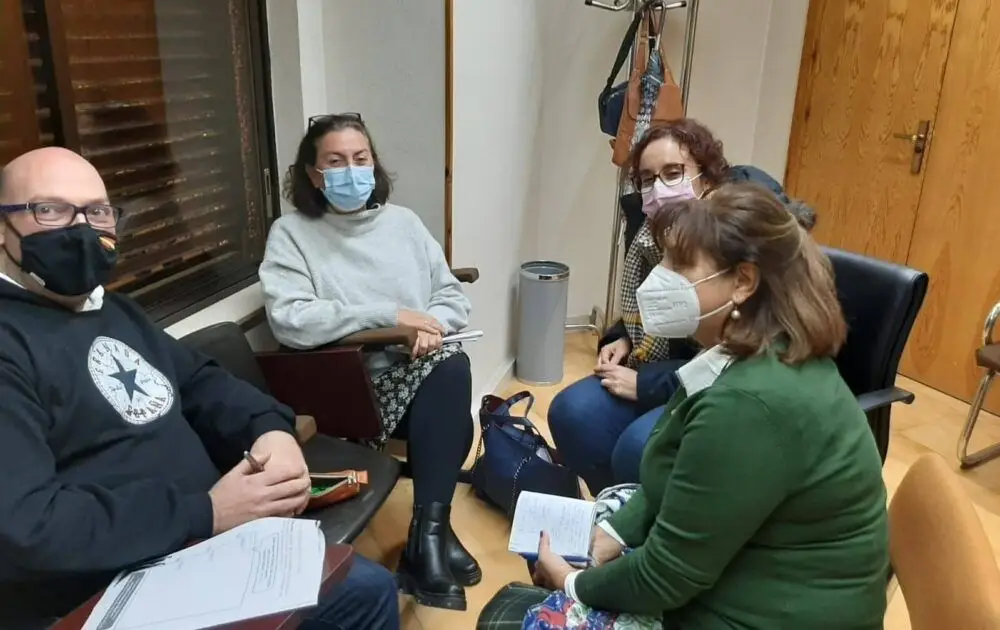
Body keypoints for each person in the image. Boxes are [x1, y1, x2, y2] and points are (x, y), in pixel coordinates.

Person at [0, 147, 399, 630]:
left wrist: (271, 430)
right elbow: (29, 525)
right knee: (362, 594)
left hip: (204, 539)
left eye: (97, 212)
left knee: (365, 584)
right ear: (4, 228)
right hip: (109, 583)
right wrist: (206, 512)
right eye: (51, 210)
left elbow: (200, 381)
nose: (82, 229)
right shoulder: (10, 340)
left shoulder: (113, 311)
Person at [481, 182, 888, 629]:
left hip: (763, 614)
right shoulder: (748, 354)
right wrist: (608, 539)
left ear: (743, 282)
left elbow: (667, 576)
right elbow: (673, 484)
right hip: (745, 578)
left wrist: (572, 583)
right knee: (592, 526)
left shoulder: (749, 404)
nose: (659, 279)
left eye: (679, 264)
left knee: (509, 618)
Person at [258, 113, 479, 612]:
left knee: (450, 373)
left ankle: (428, 536)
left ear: (374, 164)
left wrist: (430, 327)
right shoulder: (291, 233)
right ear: (313, 174)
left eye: (360, 159)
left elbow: (450, 296)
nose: (351, 171)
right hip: (347, 384)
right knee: (451, 394)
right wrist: (392, 317)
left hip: (421, 371)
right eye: (335, 162)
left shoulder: (404, 224)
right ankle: (432, 540)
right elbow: (291, 319)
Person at [548, 118, 815, 494]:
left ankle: (654, 515)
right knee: (573, 412)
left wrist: (647, 384)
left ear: (708, 177)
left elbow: (741, 359)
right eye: (647, 179)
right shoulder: (650, 229)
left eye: (674, 173)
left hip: (724, 379)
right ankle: (624, 508)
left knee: (641, 448)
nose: (659, 189)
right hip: (667, 366)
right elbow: (657, 298)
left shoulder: (743, 240)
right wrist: (623, 336)